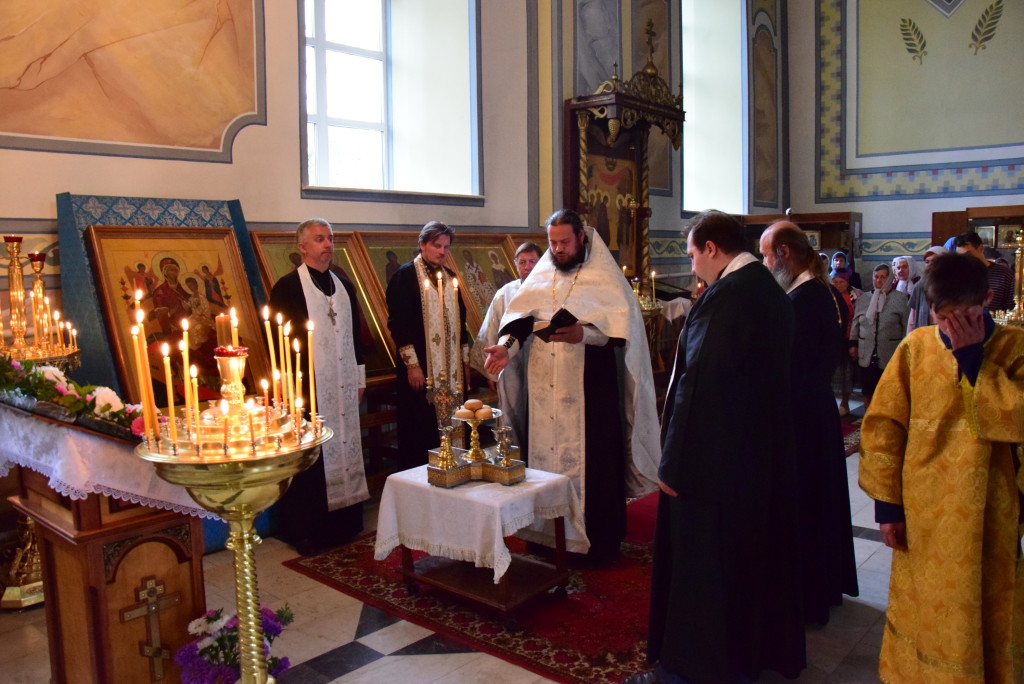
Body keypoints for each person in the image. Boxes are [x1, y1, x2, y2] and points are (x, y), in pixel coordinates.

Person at [632, 210, 804, 684]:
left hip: (710, 463)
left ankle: (685, 669)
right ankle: (740, 660)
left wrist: (671, 464)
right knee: (744, 562)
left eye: (692, 254)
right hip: (753, 455)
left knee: (701, 570)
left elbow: (698, 385)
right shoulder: (769, 289)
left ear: (711, 248)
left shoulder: (726, 297)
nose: (692, 266)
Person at [859, 251, 1024, 683]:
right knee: (924, 608)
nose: (951, 328)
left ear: (985, 300)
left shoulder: (1014, 348)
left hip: (991, 514)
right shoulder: (916, 348)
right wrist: (887, 507)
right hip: (923, 512)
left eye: (962, 317)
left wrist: (974, 361)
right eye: (942, 316)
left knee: (987, 606)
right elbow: (883, 427)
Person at [483, 209, 660, 565]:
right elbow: (519, 322)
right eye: (553, 243)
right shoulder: (542, 274)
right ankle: (545, 541)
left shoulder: (604, 276)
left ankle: (595, 546)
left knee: (595, 464)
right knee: (541, 459)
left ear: (581, 236)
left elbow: (622, 335)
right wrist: (505, 348)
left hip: (590, 390)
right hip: (542, 387)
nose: (559, 249)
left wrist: (584, 334)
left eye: (564, 241)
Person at [760, 221, 859, 625]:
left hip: (801, 414)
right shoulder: (819, 292)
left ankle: (808, 597)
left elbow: (788, 366)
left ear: (784, 253)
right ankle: (822, 587)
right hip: (814, 409)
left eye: (767, 255)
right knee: (818, 500)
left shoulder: (802, 300)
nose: (765, 263)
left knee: (806, 504)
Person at [269, 218, 368, 556]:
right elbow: (279, 342)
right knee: (313, 454)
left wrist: (359, 379)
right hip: (306, 385)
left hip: (343, 381)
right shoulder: (287, 288)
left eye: (330, 238)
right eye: (319, 239)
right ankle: (309, 529)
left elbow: (356, 336)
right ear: (302, 247)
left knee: (346, 443)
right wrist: (285, 387)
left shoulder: (345, 286)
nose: (327, 244)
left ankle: (346, 522)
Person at [386, 221, 470, 469]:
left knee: (455, 423)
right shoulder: (405, 277)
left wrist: (464, 362)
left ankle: (454, 470)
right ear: (422, 244)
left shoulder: (451, 277)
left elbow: (462, 323)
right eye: (437, 245)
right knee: (420, 426)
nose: (442, 251)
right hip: (422, 368)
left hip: (452, 371)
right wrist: (413, 365)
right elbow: (398, 324)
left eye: (446, 247)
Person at [470, 241, 542, 450]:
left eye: (532, 261)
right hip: (510, 363)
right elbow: (491, 329)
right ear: (515, 264)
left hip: (541, 360)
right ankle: (513, 455)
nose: (527, 266)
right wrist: (491, 373)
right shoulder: (506, 293)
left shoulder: (550, 291)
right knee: (512, 410)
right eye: (522, 262)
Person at [850, 264, 908, 406]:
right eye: (876, 277)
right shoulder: (864, 298)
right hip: (866, 351)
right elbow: (856, 323)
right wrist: (853, 344)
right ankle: (868, 414)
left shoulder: (900, 298)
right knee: (867, 389)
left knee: (888, 389)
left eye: (883, 277)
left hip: (889, 351)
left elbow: (906, 325)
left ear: (889, 279)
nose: (879, 280)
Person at [955, 231, 1015, 312]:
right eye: (960, 256)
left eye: (968, 254)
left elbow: (1011, 308)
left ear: (981, 249)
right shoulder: (958, 275)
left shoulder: (1004, 274)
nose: (964, 259)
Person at [830, 269, 859, 416]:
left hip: (848, 338)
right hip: (833, 338)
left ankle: (845, 402)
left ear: (847, 283)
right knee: (833, 372)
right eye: (835, 282)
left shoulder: (854, 297)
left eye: (841, 282)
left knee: (846, 372)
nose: (838, 285)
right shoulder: (828, 295)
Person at [906, 245, 946, 333]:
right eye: (927, 262)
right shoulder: (920, 286)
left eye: (935, 261)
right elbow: (912, 319)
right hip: (924, 335)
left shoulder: (955, 287)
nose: (930, 265)